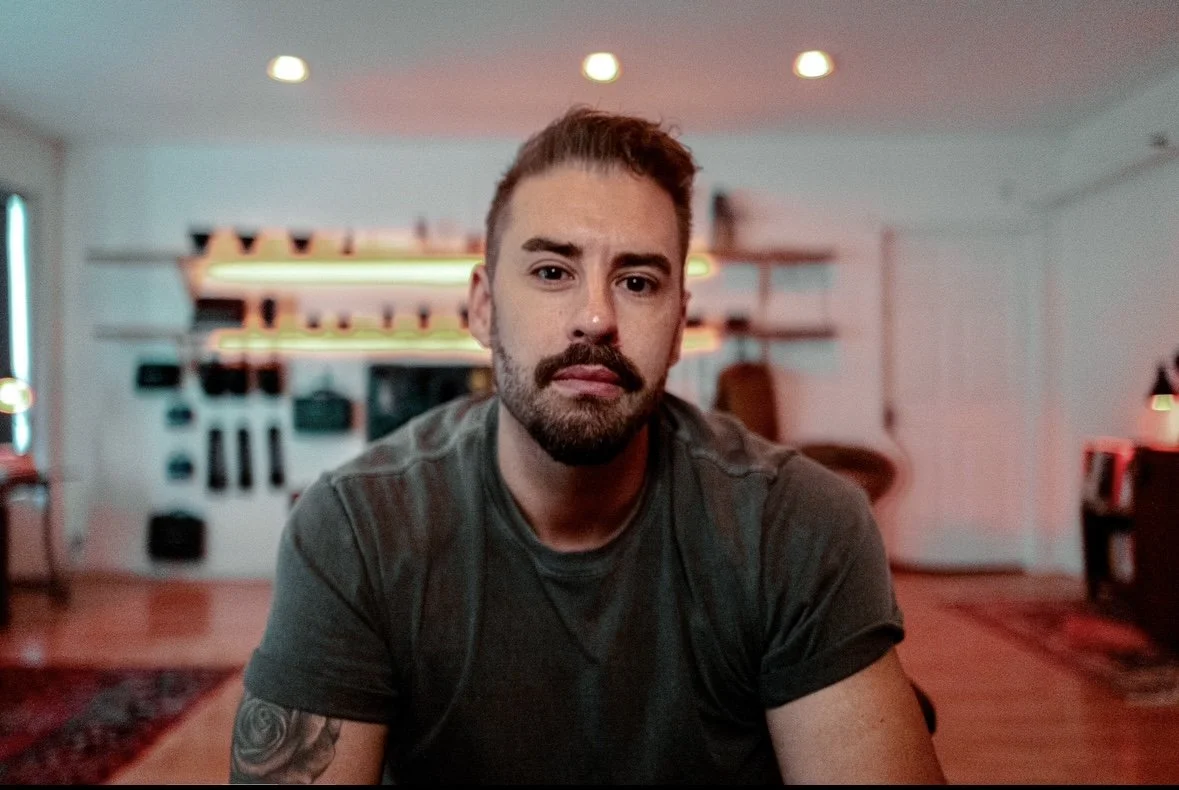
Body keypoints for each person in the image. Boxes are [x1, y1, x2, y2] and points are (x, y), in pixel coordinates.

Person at [230, 107, 946, 784]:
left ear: (678, 324)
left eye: (637, 281)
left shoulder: (797, 525)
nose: (596, 317)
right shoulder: (355, 530)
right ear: (483, 308)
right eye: (552, 272)